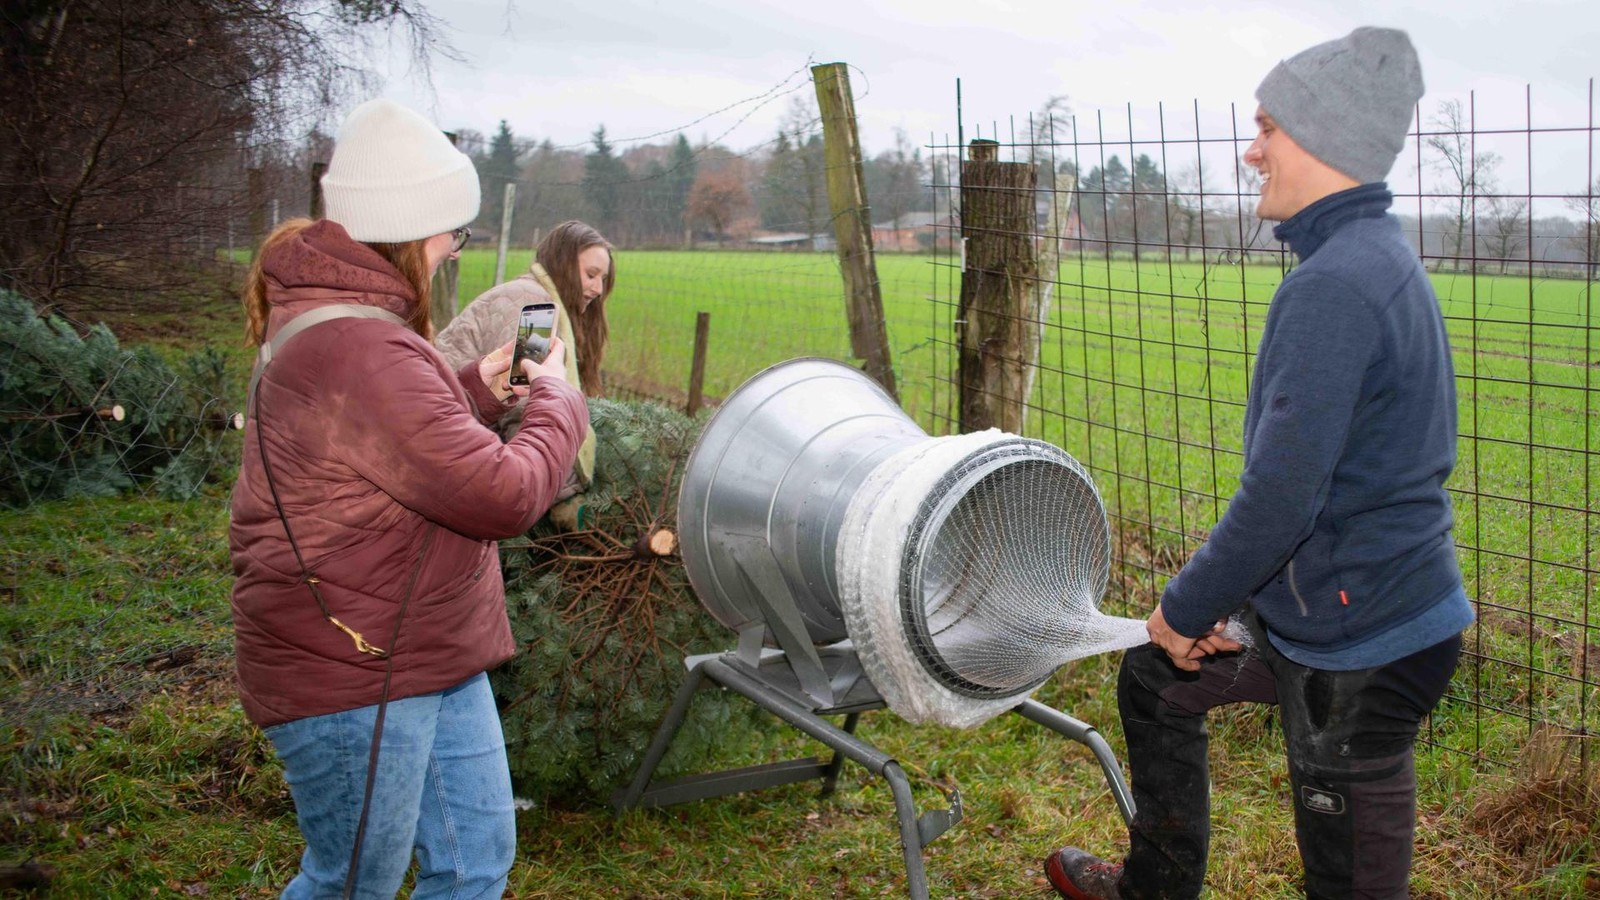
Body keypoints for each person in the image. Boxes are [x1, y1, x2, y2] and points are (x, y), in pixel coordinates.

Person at [1044, 27, 1473, 900]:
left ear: (1322, 139)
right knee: (1159, 678)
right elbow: (1334, 480)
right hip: (1325, 611)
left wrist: (1186, 604)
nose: (1252, 151)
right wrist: (1209, 614)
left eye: (1267, 127)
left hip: (1364, 645)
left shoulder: (1335, 286)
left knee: (1347, 876)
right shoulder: (1364, 261)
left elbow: (1283, 497)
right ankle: (1154, 887)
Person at [229, 98, 588, 898]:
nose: (452, 252)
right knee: (350, 883)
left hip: (424, 645)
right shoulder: (361, 346)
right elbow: (504, 495)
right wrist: (555, 397)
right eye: (453, 235)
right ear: (415, 231)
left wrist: (476, 391)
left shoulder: (348, 324)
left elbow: (391, 441)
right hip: (354, 665)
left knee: (475, 864)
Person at [436, 221, 616, 528]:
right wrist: (565, 498)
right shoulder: (534, 305)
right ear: (561, 263)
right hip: (447, 458)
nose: (598, 289)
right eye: (590, 275)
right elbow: (526, 407)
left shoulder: (536, 300)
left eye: (603, 279)